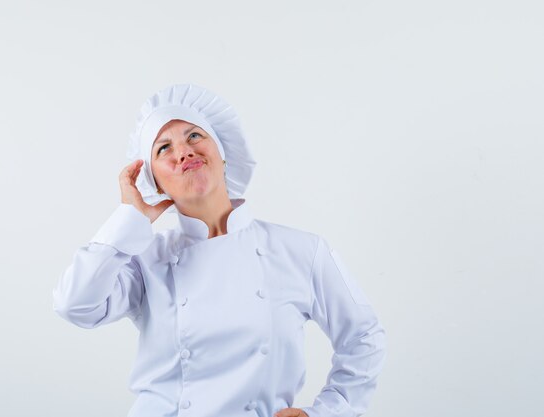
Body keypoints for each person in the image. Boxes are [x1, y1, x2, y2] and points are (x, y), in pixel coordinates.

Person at [52, 83, 387, 417]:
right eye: (163, 148)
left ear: (223, 153)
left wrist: (328, 412)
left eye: (194, 136)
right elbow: (75, 305)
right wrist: (129, 219)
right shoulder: (144, 260)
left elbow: (364, 335)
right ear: (154, 182)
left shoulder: (301, 251)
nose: (183, 152)